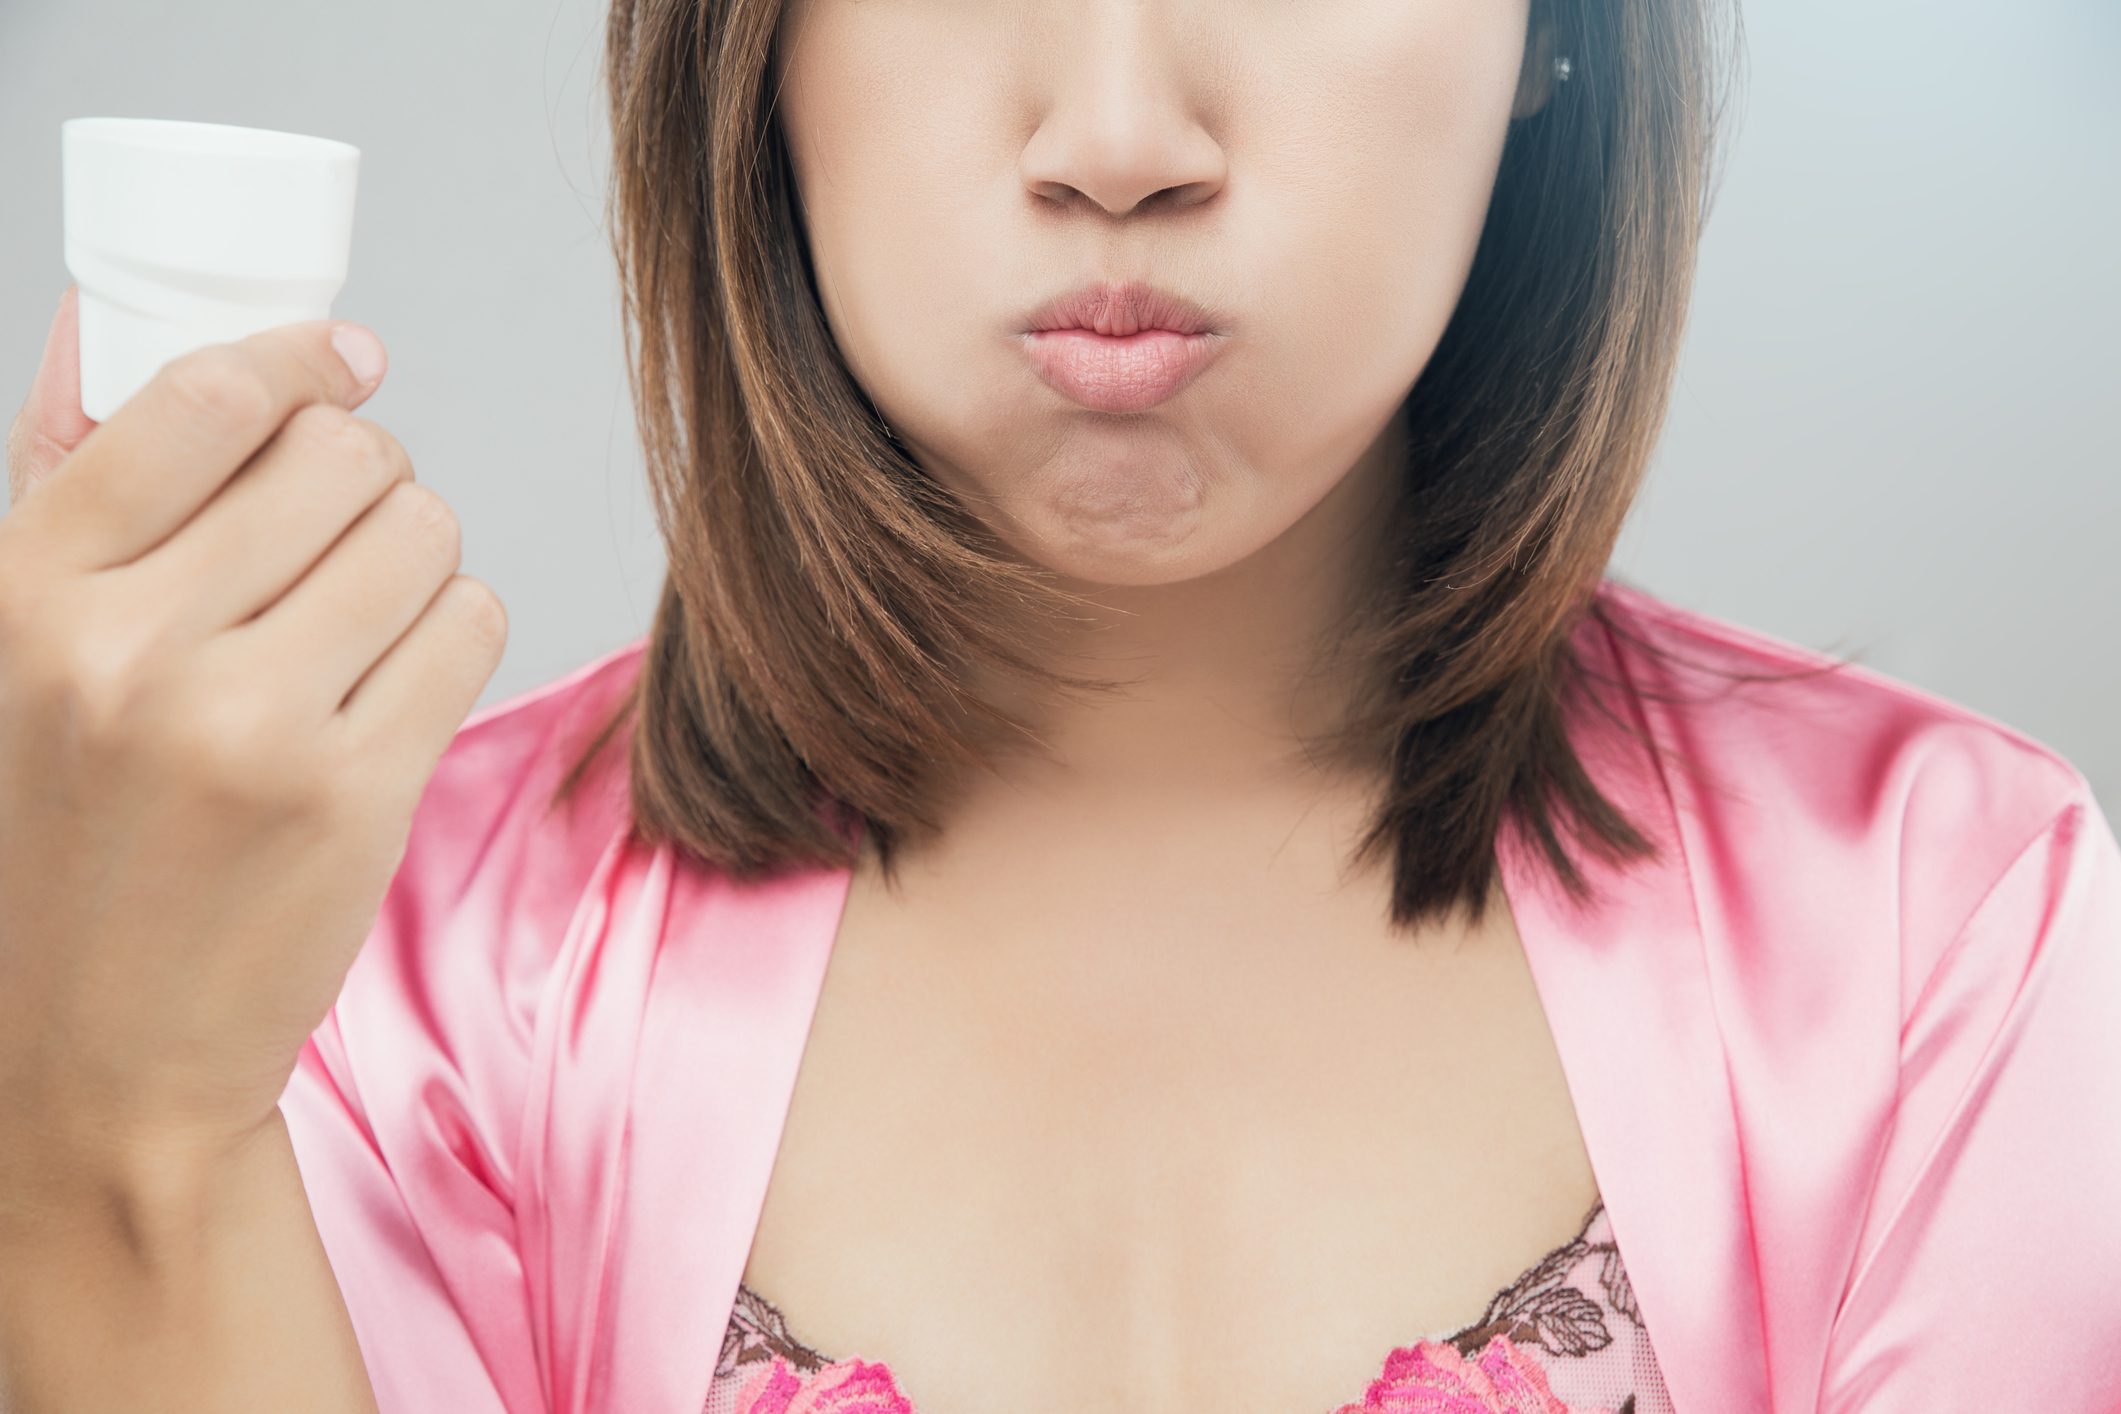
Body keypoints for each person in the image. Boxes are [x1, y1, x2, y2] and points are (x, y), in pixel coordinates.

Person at [4, 0, 2117, 1412]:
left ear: (1554, 31)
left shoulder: (1946, 939)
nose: (1117, 136)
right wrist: (106, 1135)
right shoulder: (361, 983)